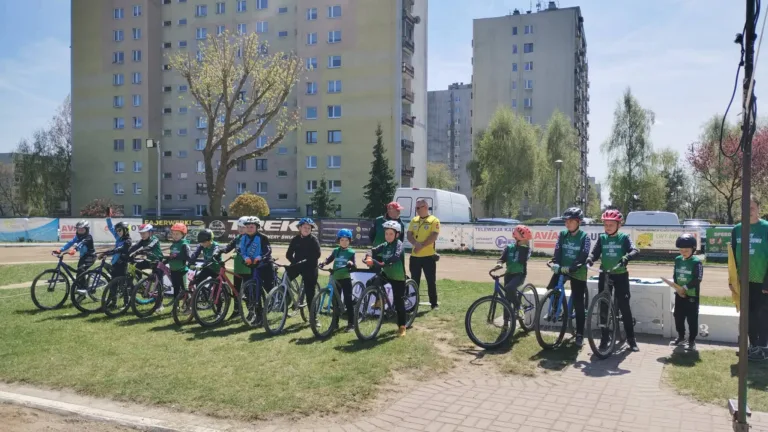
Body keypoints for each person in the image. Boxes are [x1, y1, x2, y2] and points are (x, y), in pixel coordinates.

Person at [586, 209, 641, 352]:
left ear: (619, 225)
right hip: (605, 275)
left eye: (611, 224)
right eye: (606, 224)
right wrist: (590, 259)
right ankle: (605, 338)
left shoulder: (624, 238)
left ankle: (631, 339)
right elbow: (595, 252)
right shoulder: (602, 238)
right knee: (604, 306)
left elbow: (635, 250)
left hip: (620, 275)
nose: (608, 227)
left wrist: (626, 257)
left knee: (624, 305)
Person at [730, 197, 768, 360]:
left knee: (762, 315)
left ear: (759, 208)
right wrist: (732, 280)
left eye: (752, 207)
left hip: (762, 281)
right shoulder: (737, 229)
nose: (749, 211)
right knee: (748, 316)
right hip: (743, 282)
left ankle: (763, 348)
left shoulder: (766, 228)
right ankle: (752, 346)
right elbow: (732, 258)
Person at [548, 207, 591, 348]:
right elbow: (558, 251)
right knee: (550, 289)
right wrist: (556, 263)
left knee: (578, 303)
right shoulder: (562, 234)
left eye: (571, 221)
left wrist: (575, 266)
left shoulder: (584, 237)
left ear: (578, 222)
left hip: (577, 271)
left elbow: (583, 255)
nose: (567, 224)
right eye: (566, 221)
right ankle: (556, 309)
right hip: (563, 268)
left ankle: (579, 334)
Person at [365, 220, 408, 336]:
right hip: (387, 274)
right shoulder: (384, 245)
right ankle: (381, 300)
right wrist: (368, 256)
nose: (388, 236)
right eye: (386, 233)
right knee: (370, 283)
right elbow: (372, 250)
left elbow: (396, 256)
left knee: (399, 303)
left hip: (398, 277)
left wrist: (384, 263)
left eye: (391, 234)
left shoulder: (398, 244)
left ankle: (402, 327)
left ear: (397, 234)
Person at [320, 228, 356, 331]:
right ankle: (335, 324)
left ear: (349, 241)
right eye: (342, 240)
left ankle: (351, 324)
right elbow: (329, 259)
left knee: (348, 300)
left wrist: (351, 263)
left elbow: (354, 264)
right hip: (336, 279)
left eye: (346, 240)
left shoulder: (351, 252)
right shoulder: (336, 250)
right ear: (338, 241)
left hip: (345, 279)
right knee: (335, 302)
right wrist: (323, 262)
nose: (344, 242)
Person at [407, 199, 440, 310]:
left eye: (418, 208)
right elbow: (409, 235)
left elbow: (434, 236)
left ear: (425, 207)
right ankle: (413, 303)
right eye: (416, 208)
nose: (416, 210)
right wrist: (416, 244)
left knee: (431, 281)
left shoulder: (434, 220)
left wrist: (421, 246)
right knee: (414, 281)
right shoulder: (414, 220)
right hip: (415, 257)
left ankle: (434, 303)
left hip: (428, 257)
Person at [673, 233, 703, 351]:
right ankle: (681, 337)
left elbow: (698, 279)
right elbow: (675, 275)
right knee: (678, 316)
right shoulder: (677, 259)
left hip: (692, 295)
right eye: (681, 250)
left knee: (692, 319)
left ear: (693, 249)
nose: (683, 252)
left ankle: (692, 340)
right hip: (679, 294)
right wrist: (678, 289)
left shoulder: (696, 262)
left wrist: (685, 288)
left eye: (686, 250)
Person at [496, 225, 532, 312]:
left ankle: (518, 306)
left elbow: (523, 259)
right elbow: (501, 259)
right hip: (508, 275)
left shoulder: (526, 249)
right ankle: (506, 321)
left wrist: (522, 247)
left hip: (520, 275)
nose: (528, 242)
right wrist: (499, 264)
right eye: (526, 240)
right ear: (518, 238)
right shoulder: (509, 248)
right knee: (506, 298)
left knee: (509, 288)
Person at [286, 217, 322, 306]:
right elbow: (289, 254)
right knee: (285, 279)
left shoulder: (313, 240)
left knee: (310, 291)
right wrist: (294, 262)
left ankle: (313, 316)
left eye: (309, 228)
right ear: (300, 228)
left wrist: (308, 261)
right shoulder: (295, 239)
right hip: (297, 265)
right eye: (305, 227)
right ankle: (288, 298)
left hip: (310, 267)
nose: (307, 229)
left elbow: (317, 254)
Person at [222, 216, 253, 318]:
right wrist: (219, 249)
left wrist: (240, 252)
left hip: (248, 269)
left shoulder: (251, 238)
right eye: (239, 227)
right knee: (236, 290)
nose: (240, 229)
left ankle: (251, 311)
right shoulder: (237, 238)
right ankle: (237, 311)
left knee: (248, 291)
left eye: (243, 227)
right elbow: (227, 248)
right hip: (238, 269)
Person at [55, 220, 96, 293]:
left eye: (82, 229)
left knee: (81, 270)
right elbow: (70, 243)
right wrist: (60, 250)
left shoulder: (88, 237)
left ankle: (83, 289)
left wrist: (75, 249)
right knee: (79, 273)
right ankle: (80, 289)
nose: (80, 231)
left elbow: (81, 243)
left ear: (86, 230)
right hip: (83, 257)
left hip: (90, 257)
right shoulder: (77, 237)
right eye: (78, 229)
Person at [239, 216, 274, 294]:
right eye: (247, 227)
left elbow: (268, 250)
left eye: (251, 227)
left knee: (268, 286)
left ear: (257, 227)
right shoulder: (243, 238)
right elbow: (242, 250)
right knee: (253, 286)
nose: (249, 229)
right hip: (252, 265)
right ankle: (258, 305)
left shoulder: (263, 237)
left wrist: (260, 257)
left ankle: (276, 302)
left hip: (265, 264)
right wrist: (245, 257)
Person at [129, 223, 166, 291]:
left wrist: (139, 251)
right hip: (149, 261)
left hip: (157, 261)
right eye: (141, 233)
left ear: (150, 232)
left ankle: (160, 294)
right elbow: (135, 247)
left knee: (159, 279)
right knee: (137, 267)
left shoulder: (155, 239)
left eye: (144, 233)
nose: (142, 235)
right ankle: (141, 285)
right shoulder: (142, 241)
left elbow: (149, 247)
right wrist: (127, 252)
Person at [105, 212, 133, 280]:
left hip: (121, 265)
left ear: (126, 230)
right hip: (115, 263)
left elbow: (121, 249)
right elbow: (111, 227)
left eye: (119, 230)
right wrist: (108, 218)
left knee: (117, 282)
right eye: (117, 230)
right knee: (113, 282)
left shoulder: (128, 241)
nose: (117, 232)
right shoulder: (118, 237)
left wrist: (108, 252)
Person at [167, 223, 191, 299]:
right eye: (173, 234)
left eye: (177, 234)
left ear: (183, 235)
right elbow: (171, 257)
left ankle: (189, 306)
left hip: (182, 271)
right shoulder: (173, 245)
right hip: (173, 270)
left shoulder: (184, 244)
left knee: (185, 289)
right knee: (176, 288)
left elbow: (187, 256)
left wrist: (176, 256)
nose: (175, 236)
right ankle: (175, 306)